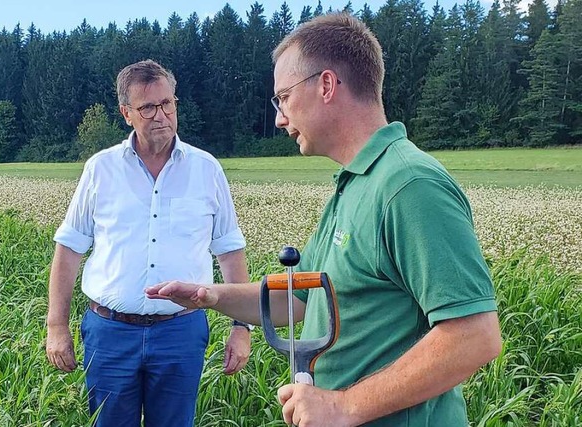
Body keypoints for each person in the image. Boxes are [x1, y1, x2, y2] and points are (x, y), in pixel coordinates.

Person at [145, 13, 502, 427]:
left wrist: (343, 406)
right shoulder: (354, 184)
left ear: (327, 85)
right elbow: (299, 299)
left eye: (284, 97)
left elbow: (474, 335)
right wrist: (211, 296)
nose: (280, 117)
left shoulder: (408, 185)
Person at [45, 59, 252, 427]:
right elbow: (69, 249)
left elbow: (229, 250)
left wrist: (241, 327)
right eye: (147, 107)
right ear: (127, 113)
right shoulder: (100, 169)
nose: (161, 115)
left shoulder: (207, 169)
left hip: (180, 332)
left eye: (167, 103)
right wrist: (56, 326)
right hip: (109, 332)